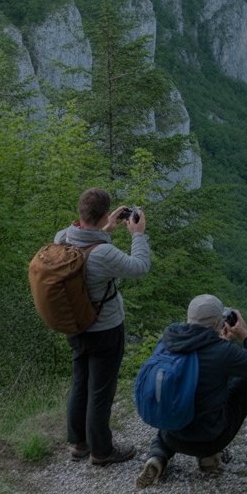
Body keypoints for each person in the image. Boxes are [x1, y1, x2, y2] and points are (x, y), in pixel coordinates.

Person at [135, 293, 247, 487]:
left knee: (179, 403)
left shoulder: (168, 340)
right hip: (211, 439)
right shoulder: (221, 352)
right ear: (218, 323)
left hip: (171, 434)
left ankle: (158, 456)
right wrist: (245, 335)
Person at [56, 186, 151, 466]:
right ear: (106, 214)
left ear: (81, 213)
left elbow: (86, 236)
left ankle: (79, 443)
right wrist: (138, 235)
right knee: (101, 390)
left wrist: (105, 227)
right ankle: (102, 450)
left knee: (80, 382)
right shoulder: (104, 254)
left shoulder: (62, 238)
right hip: (104, 329)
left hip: (74, 327)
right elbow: (139, 267)